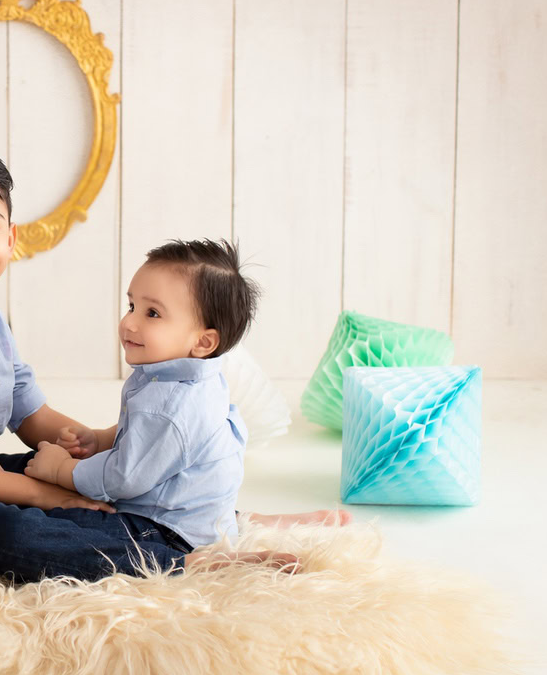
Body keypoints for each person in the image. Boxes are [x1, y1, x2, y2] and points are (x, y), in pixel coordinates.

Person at [0, 138, 335, 584]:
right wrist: (57, 496)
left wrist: (83, 459)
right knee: (13, 532)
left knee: (82, 474)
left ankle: (215, 519)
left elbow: (27, 411)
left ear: (10, 237)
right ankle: (177, 562)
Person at [21, 239, 348, 560]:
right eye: (132, 306)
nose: (129, 322)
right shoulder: (185, 377)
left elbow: (123, 478)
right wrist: (101, 439)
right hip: (199, 512)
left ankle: (216, 559)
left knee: (59, 526)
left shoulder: (170, 405)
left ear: (203, 341)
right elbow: (141, 436)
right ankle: (242, 523)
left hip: (168, 531)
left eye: (152, 313)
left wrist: (63, 470)